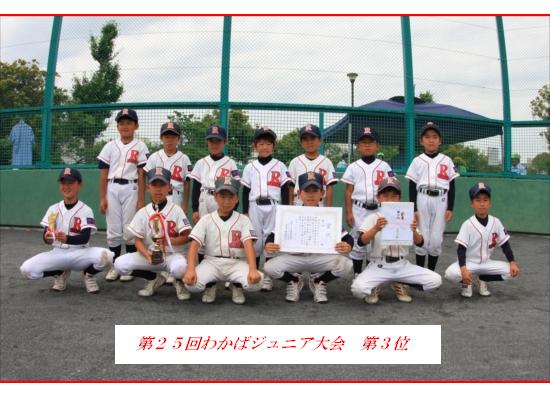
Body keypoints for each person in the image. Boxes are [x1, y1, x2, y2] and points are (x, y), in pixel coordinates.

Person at [341, 127, 410, 301]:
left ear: (377, 145)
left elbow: (393, 187)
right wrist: (349, 212)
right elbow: (348, 191)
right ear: (358, 146)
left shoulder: (384, 166)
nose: (367, 145)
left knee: (376, 245)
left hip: (380, 208)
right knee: (359, 244)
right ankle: (358, 275)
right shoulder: (353, 167)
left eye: (370, 142)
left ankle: (373, 279)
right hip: (359, 208)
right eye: (363, 142)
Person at [20, 168, 114, 293]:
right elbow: (46, 237)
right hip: (58, 253)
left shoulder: (86, 210)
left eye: (70, 183)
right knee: (26, 270)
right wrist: (48, 238)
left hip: (81, 254)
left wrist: (67, 239)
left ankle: (89, 275)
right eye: (63, 183)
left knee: (107, 256)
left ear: (80, 185)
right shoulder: (53, 209)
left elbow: (85, 238)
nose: (66, 186)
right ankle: (59, 272)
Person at [264, 172, 353, 303]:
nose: (311, 195)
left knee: (346, 264)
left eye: (315, 191)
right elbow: (272, 236)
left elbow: (347, 238)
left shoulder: (328, 214)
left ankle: (319, 281)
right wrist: (269, 244)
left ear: (322, 193)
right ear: (299, 193)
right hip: (295, 258)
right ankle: (294, 280)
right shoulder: (290, 213)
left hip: (319, 259)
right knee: (269, 267)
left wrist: (348, 245)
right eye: (307, 191)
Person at [351, 177, 442, 304]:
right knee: (357, 289)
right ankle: (375, 285)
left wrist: (413, 231)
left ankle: (400, 282)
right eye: (385, 196)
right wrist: (375, 228)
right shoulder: (373, 218)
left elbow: (420, 243)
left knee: (435, 280)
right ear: (378, 198)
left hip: (402, 265)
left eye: (394, 196)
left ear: (399, 198)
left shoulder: (407, 216)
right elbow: (361, 242)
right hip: (379, 265)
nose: (390, 199)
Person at [114, 167, 192, 299]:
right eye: (154, 185)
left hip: (172, 256)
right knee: (119, 265)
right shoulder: (143, 212)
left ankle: (178, 281)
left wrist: (168, 241)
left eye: (162, 185)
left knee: (180, 268)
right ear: (148, 187)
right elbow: (137, 240)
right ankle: (153, 278)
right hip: (149, 255)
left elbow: (186, 236)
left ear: (169, 187)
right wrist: (147, 256)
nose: (158, 189)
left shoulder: (176, 210)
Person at [183, 176, 263, 304]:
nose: (227, 201)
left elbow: (249, 245)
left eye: (231, 197)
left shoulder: (244, 220)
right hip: (212, 262)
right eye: (223, 196)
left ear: (237, 198)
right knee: (191, 285)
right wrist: (191, 269)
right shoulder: (206, 219)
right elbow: (194, 245)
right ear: (215, 196)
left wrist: (253, 269)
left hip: (236, 263)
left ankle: (237, 285)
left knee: (256, 283)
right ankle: (210, 285)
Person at [97, 108, 149, 281]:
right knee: (113, 229)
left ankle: (128, 267)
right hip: (112, 187)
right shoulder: (110, 146)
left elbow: (141, 174)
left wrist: (141, 199)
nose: (125, 126)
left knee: (129, 229)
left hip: (131, 187)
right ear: (117, 126)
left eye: (129, 123)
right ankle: (114, 266)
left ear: (136, 126)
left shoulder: (140, 146)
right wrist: (102, 197)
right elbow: (103, 174)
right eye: (122, 123)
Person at [444, 182, 520, 298]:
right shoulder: (467, 224)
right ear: (472, 204)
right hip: (469, 263)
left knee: (511, 271)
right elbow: (461, 249)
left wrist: (512, 262)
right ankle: (467, 282)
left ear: (490, 203)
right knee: (450, 274)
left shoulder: (496, 222)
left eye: (485, 200)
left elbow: (505, 245)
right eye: (478, 200)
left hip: (487, 263)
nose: (482, 204)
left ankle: (482, 278)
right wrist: (463, 269)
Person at [241, 127, 292, 292]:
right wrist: (245, 211)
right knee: (255, 241)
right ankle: (254, 273)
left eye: (268, 144)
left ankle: (268, 277)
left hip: (274, 206)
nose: (265, 147)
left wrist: (285, 210)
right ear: (255, 146)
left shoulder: (280, 165)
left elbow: (285, 189)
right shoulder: (250, 167)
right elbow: (245, 191)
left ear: (273, 146)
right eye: (261, 144)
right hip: (254, 206)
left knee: (271, 240)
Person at [144, 121, 192, 284]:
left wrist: (185, 204)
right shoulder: (154, 157)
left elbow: (187, 182)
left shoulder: (184, 158)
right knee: (157, 231)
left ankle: (177, 267)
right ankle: (160, 268)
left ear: (178, 139)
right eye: (166, 136)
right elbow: (148, 180)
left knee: (176, 231)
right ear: (161, 138)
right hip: (158, 197)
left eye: (173, 136)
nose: (169, 139)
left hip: (176, 196)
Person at [405, 122, 458, 271]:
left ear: (440, 141)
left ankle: (431, 273)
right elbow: (412, 186)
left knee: (436, 240)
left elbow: (452, 185)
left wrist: (450, 207)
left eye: (435, 137)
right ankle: (420, 273)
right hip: (422, 197)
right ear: (421, 141)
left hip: (442, 199)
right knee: (421, 236)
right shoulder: (417, 161)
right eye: (427, 137)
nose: (431, 140)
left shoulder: (447, 160)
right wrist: (414, 208)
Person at [287, 124, 338, 206]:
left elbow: (330, 187)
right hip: (298, 204)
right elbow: (291, 186)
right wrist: (290, 207)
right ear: (301, 142)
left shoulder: (327, 162)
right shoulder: (295, 162)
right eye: (305, 139)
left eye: (313, 138)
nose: (309, 142)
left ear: (320, 141)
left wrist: (329, 209)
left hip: (320, 205)